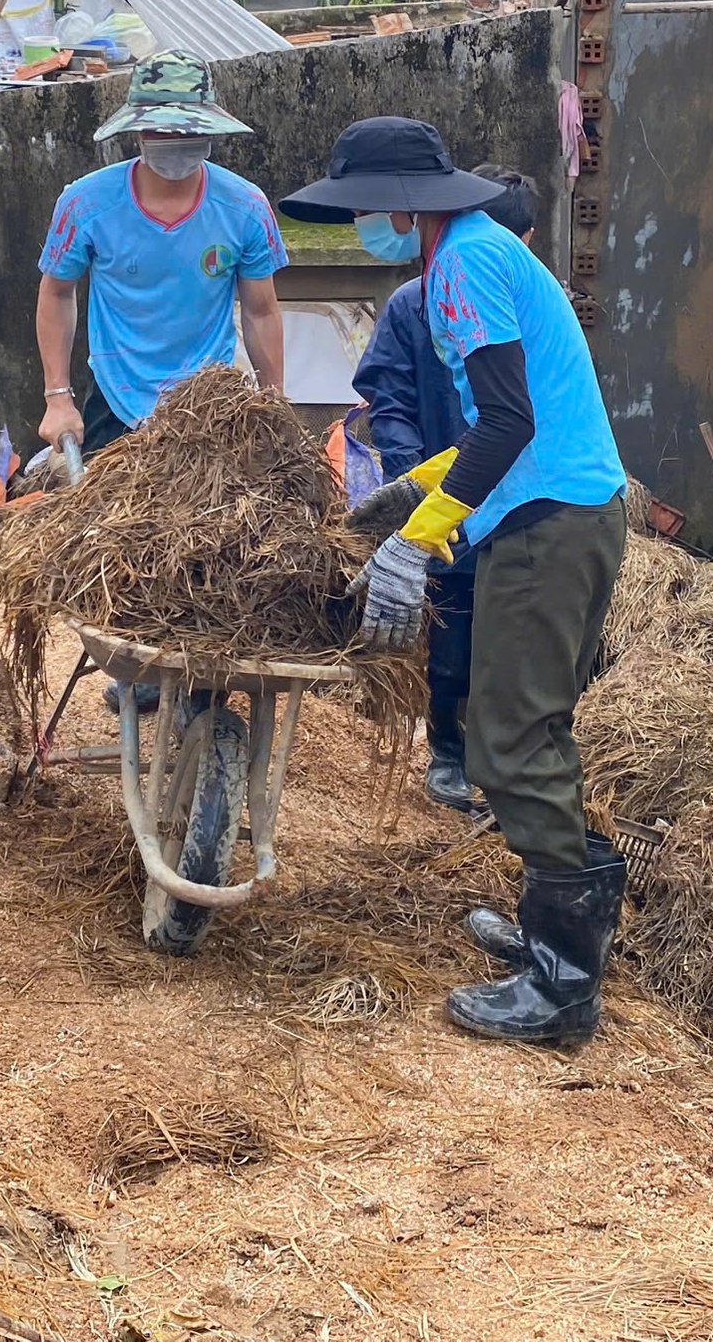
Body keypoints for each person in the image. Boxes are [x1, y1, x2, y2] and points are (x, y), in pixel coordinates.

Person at [282, 119, 628, 1045]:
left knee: (511, 743)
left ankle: (563, 986)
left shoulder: (466, 264)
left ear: (401, 202)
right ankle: (555, 931)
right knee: (522, 732)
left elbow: (509, 423)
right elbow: (493, 426)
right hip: (549, 508)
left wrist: (417, 541)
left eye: (364, 205)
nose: (361, 222)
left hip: (550, 522)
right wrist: (412, 488)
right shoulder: (462, 259)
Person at [349, 166, 540, 814]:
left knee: (514, 639)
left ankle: (503, 766)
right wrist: (413, 480)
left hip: (517, 499)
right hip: (447, 497)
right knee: (452, 634)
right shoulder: (414, 304)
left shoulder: (534, 307)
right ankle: (449, 753)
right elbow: (390, 400)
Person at [36, 53, 287, 457]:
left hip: (209, 399)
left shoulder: (245, 207)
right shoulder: (85, 204)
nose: (174, 141)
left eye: (186, 132)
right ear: (137, 130)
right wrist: (58, 398)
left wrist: (273, 400)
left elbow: (261, 311)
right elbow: (56, 292)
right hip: (118, 391)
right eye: (161, 131)